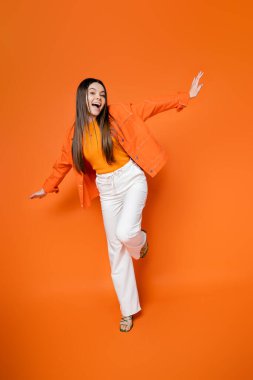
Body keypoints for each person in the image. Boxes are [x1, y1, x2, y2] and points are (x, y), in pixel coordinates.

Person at [29, 72, 204, 332]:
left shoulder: (118, 113)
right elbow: (63, 164)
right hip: (107, 189)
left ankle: (140, 241)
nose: (99, 97)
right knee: (116, 251)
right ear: (82, 99)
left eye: (102, 93)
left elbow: (151, 105)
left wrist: (184, 97)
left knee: (126, 233)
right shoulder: (73, 134)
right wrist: (47, 187)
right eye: (93, 93)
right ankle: (127, 311)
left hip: (131, 179)